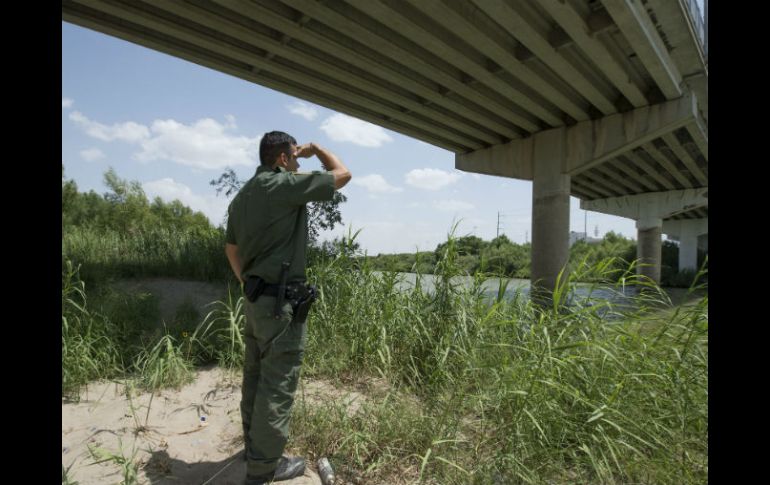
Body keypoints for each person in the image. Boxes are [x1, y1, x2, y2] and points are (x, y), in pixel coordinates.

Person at [225, 131, 351, 484]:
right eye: (294, 158)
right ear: (282, 159)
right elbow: (343, 174)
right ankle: (264, 468)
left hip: (255, 301)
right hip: (280, 305)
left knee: (254, 378)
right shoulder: (282, 185)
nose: (298, 163)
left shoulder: (242, 196)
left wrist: (249, 284)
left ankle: (254, 449)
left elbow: (230, 249)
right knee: (276, 386)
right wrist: (319, 150)